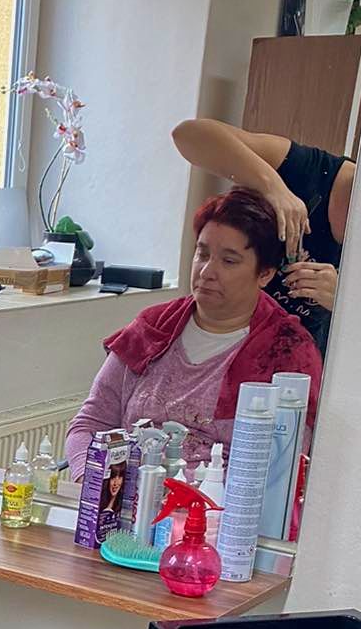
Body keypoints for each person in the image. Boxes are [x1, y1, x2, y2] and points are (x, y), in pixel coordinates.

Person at [66, 189, 321, 484]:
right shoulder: (152, 327)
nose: (207, 271)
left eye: (229, 261)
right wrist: (90, 482)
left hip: (218, 506)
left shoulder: (288, 352)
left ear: (264, 273)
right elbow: (89, 425)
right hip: (122, 497)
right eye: (202, 254)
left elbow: (283, 470)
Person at [172, 117, 354, 354]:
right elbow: (188, 134)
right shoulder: (308, 170)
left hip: (299, 362)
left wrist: (347, 304)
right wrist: (273, 187)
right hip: (219, 340)